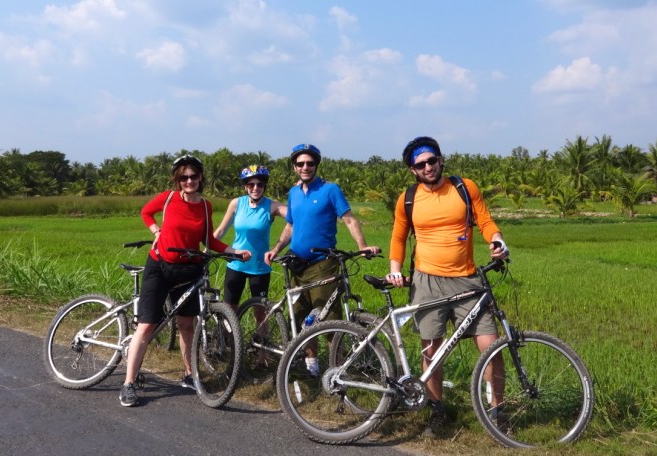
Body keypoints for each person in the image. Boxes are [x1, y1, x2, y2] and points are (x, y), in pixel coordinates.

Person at [386, 136, 510, 438]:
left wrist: (497, 240)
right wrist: (395, 270)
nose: (428, 167)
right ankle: (437, 411)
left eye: (432, 160)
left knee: (492, 347)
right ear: (412, 170)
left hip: (468, 278)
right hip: (427, 281)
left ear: (441, 159)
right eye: (420, 164)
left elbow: (485, 222)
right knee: (432, 351)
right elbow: (399, 237)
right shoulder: (408, 198)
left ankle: (498, 411)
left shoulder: (465, 188)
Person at [120, 155, 251, 407]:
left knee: (187, 325)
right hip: (160, 267)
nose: (189, 181)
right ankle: (129, 382)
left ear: (201, 178)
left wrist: (234, 251)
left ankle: (189, 374)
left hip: (190, 269)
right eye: (184, 177)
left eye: (193, 176)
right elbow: (146, 212)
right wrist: (156, 232)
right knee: (146, 326)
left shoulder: (205, 206)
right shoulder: (168, 198)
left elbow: (209, 241)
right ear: (178, 180)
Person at [264, 143, 380, 376]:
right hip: (296, 263)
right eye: (300, 164)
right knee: (303, 317)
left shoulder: (330, 190)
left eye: (310, 163)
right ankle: (312, 365)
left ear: (316, 165)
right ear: (295, 167)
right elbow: (291, 225)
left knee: (329, 319)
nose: (305, 167)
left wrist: (362, 246)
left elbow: (349, 219)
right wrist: (276, 248)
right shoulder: (294, 193)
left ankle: (338, 371)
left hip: (322, 263)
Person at [213, 165, 286, 314]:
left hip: (260, 267)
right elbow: (221, 230)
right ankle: (228, 338)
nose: (255, 188)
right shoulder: (236, 203)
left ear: (264, 186)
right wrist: (205, 248)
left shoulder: (272, 206)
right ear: (245, 186)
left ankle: (260, 338)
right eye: (251, 184)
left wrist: (276, 248)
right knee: (229, 311)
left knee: (260, 313)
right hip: (236, 264)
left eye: (260, 184)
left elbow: (296, 217)